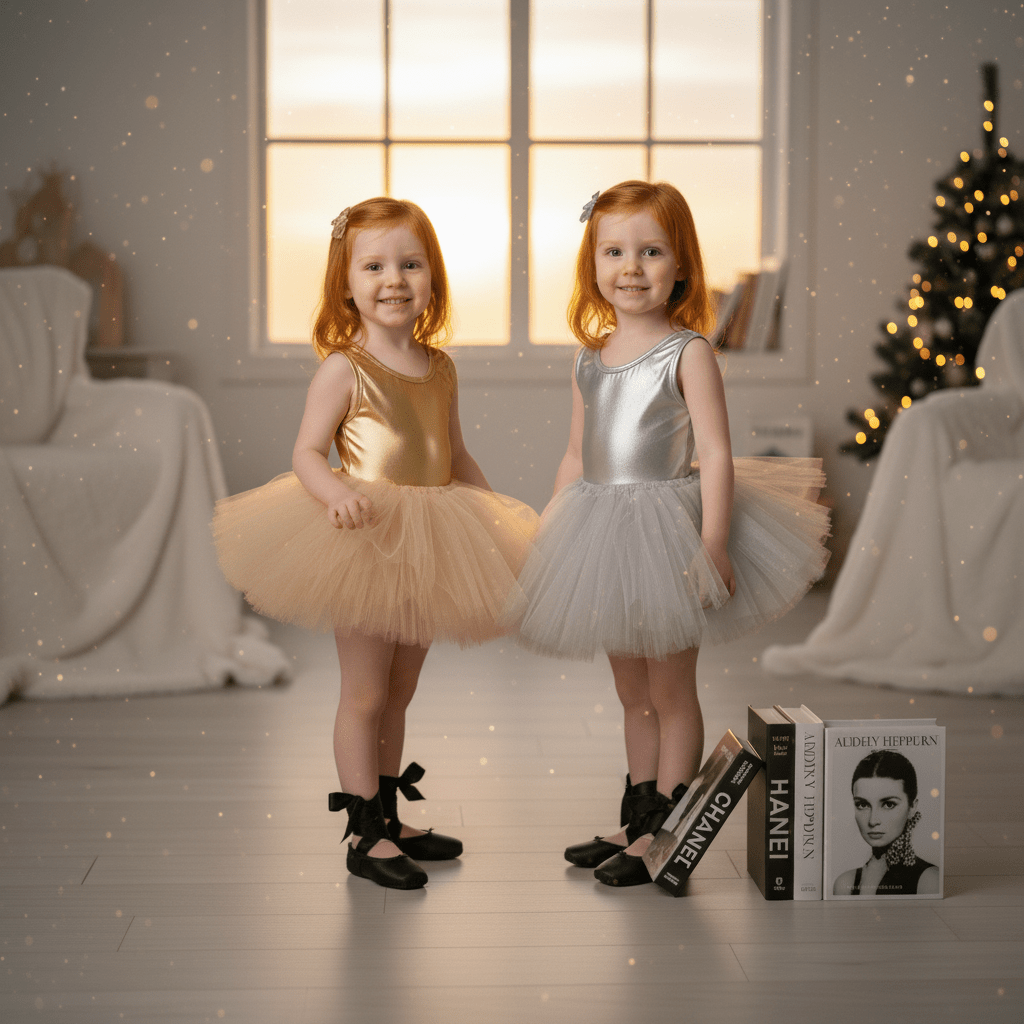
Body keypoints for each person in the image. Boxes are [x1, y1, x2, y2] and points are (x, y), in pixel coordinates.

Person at [213, 198, 538, 890]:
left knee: (401, 688)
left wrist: (495, 517)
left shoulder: (441, 368)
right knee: (364, 692)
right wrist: (335, 494)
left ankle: (388, 811)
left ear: (433, 279)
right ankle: (363, 830)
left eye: (410, 264)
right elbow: (305, 452)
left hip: (432, 537)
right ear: (347, 283)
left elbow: (453, 453)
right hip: (366, 539)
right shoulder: (345, 367)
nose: (394, 279)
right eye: (375, 266)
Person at [516, 181, 830, 886]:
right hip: (599, 524)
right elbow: (576, 452)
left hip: (667, 527)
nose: (632, 267)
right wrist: (550, 530)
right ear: (592, 265)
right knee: (631, 695)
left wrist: (712, 541)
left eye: (651, 251)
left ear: (681, 265)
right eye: (615, 251)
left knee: (671, 691)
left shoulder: (688, 352)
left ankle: (666, 829)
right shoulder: (587, 358)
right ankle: (637, 816)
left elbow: (716, 451)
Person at [832, 749, 940, 896]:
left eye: (888, 804)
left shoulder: (929, 881)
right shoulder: (845, 884)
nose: (873, 821)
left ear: (912, 807)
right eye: (862, 804)